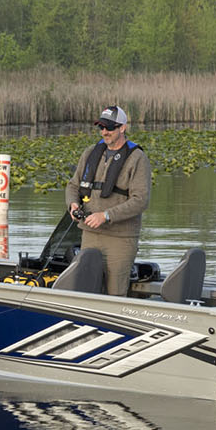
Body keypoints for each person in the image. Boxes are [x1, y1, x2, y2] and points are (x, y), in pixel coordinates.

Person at [65, 104, 152, 296]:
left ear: (123, 128)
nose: (104, 132)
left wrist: (105, 215)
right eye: (101, 127)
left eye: (110, 127)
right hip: (90, 234)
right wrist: (73, 204)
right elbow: (73, 186)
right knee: (86, 290)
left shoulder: (138, 158)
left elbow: (141, 200)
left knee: (115, 293)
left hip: (120, 238)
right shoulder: (90, 152)